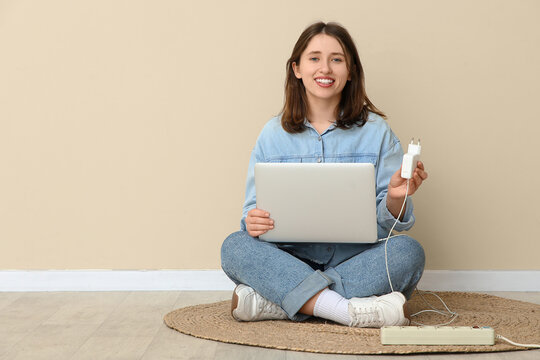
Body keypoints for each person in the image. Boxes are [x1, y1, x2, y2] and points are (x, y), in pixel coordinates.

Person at [221, 21, 428, 328]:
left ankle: (280, 302)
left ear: (351, 70)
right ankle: (344, 310)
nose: (325, 69)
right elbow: (251, 215)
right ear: (297, 69)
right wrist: (254, 221)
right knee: (234, 247)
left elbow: (392, 224)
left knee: (408, 253)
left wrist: (396, 198)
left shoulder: (378, 132)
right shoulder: (271, 134)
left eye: (337, 59)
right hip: (289, 258)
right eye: (314, 58)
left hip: (355, 261)